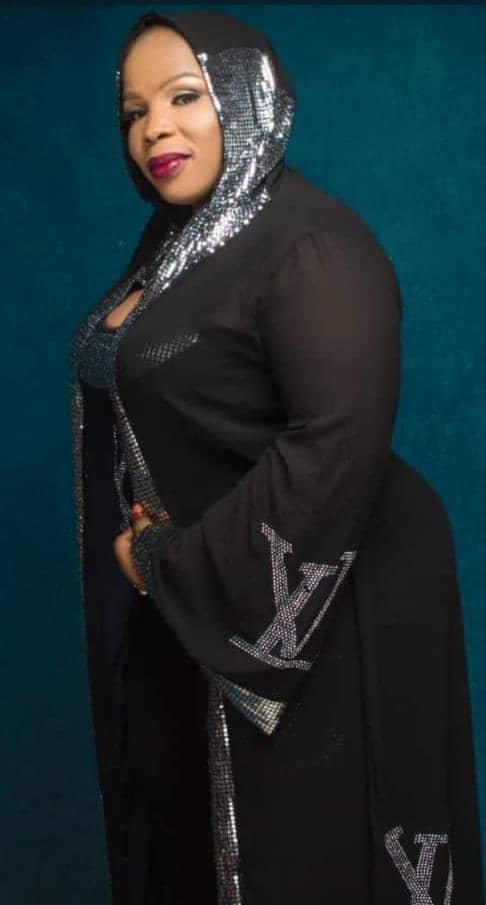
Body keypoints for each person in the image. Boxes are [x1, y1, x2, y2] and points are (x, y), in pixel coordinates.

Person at [69, 9, 484, 905]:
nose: (155, 129)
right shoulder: (179, 243)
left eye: (185, 96)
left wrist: (163, 558)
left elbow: (333, 440)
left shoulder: (312, 246)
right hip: (202, 599)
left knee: (308, 854)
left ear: (246, 95)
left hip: (332, 597)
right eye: (135, 112)